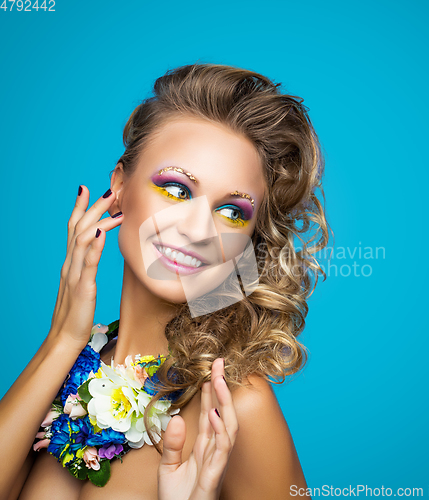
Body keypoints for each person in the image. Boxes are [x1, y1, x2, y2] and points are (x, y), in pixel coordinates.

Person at [0, 62, 331, 500]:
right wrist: (62, 340)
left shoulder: (236, 407)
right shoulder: (70, 366)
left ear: (247, 244)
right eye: (177, 189)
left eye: (232, 212)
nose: (197, 229)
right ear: (119, 186)